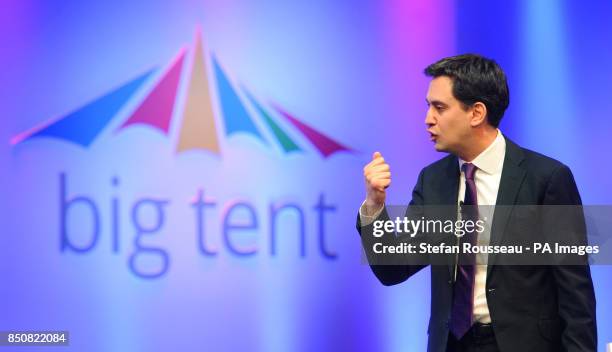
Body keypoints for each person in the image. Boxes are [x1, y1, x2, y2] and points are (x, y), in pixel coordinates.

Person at [357, 54, 597, 352]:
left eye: (439, 107)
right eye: (428, 106)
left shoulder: (546, 179)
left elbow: (576, 293)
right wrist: (374, 205)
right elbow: (393, 267)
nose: (428, 118)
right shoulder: (433, 181)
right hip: (452, 344)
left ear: (476, 113)